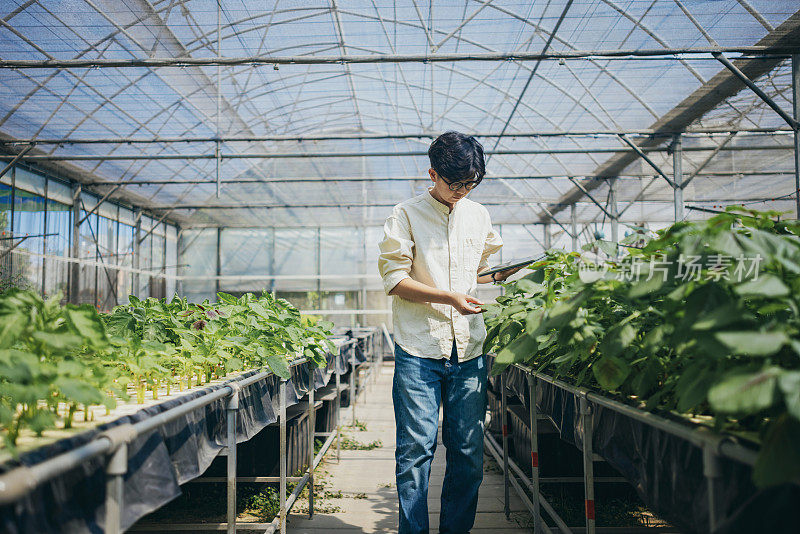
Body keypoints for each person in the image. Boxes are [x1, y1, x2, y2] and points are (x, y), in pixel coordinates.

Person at [378, 131, 522, 534]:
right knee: (415, 453)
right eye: (454, 183)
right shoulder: (405, 214)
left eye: (470, 184)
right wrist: (448, 298)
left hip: (469, 349)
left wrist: (499, 275)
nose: (462, 191)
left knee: (468, 452)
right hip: (419, 348)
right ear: (433, 173)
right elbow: (395, 280)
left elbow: (471, 271)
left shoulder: (478, 215)